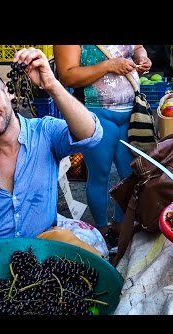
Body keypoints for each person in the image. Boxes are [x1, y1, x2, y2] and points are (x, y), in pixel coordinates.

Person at [0, 47, 103, 260]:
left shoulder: (45, 132)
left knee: (94, 274)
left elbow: (91, 135)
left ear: (8, 92)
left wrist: (52, 85)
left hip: (44, 244)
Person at [53, 45, 152, 247]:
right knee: (99, 175)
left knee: (131, 174)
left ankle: (120, 225)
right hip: (96, 115)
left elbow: (138, 47)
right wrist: (108, 66)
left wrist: (142, 58)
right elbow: (67, 76)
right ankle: (102, 230)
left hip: (131, 113)